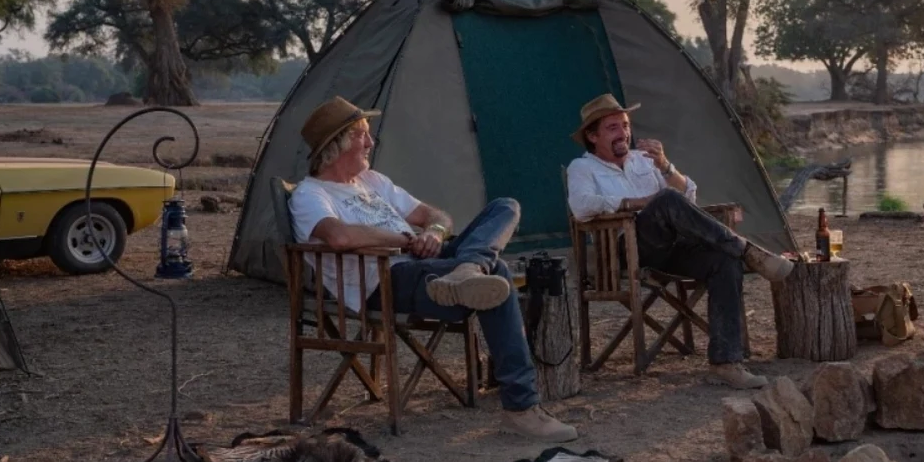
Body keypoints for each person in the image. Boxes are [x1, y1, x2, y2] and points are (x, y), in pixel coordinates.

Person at [288, 96, 577, 443]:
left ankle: (468, 268)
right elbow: (338, 236)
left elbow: (436, 216)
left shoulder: (374, 181)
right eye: (362, 135)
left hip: (430, 265)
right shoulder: (310, 194)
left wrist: (434, 233)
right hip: (387, 279)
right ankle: (522, 409)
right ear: (336, 146)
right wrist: (403, 239)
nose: (370, 142)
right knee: (496, 270)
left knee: (506, 206)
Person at [565, 93, 795, 390]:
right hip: (628, 249)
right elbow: (581, 207)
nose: (623, 133)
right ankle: (748, 250)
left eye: (625, 125)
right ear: (593, 136)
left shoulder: (643, 160)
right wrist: (638, 203)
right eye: (612, 128)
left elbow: (689, 198)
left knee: (724, 262)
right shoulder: (582, 168)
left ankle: (726, 362)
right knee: (664, 201)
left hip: (672, 247)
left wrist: (665, 167)